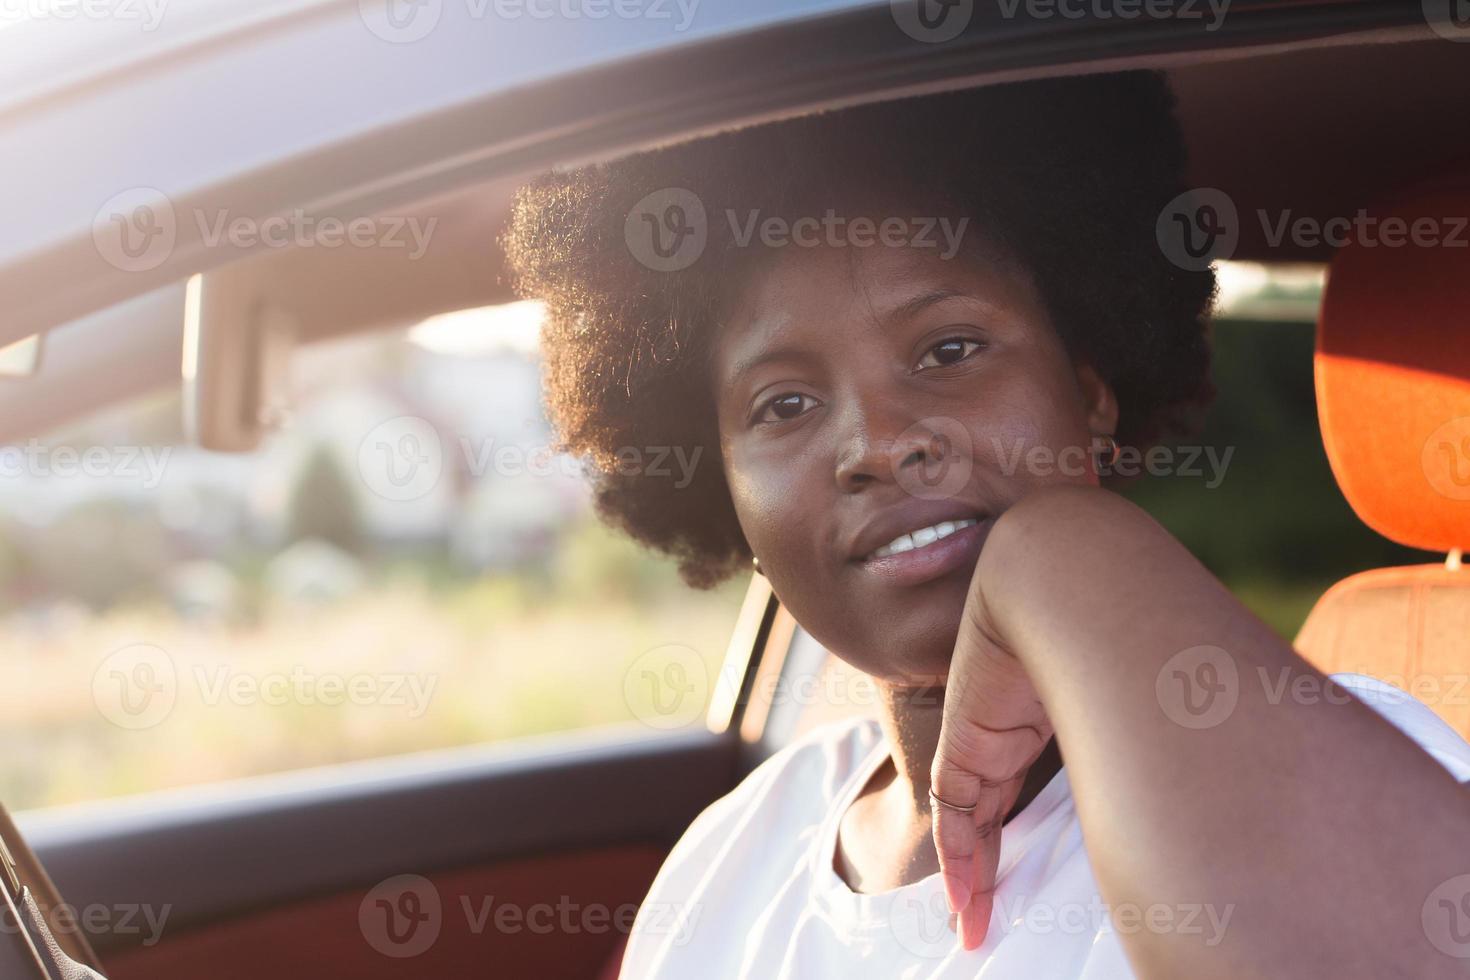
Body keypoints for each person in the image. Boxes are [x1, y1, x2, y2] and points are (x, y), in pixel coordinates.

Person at [504, 71, 1470, 978]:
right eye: (785, 406)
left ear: (1092, 393)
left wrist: (1057, 555)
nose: (878, 442)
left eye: (950, 348)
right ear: (726, 493)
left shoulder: (1345, 756)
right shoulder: (734, 850)